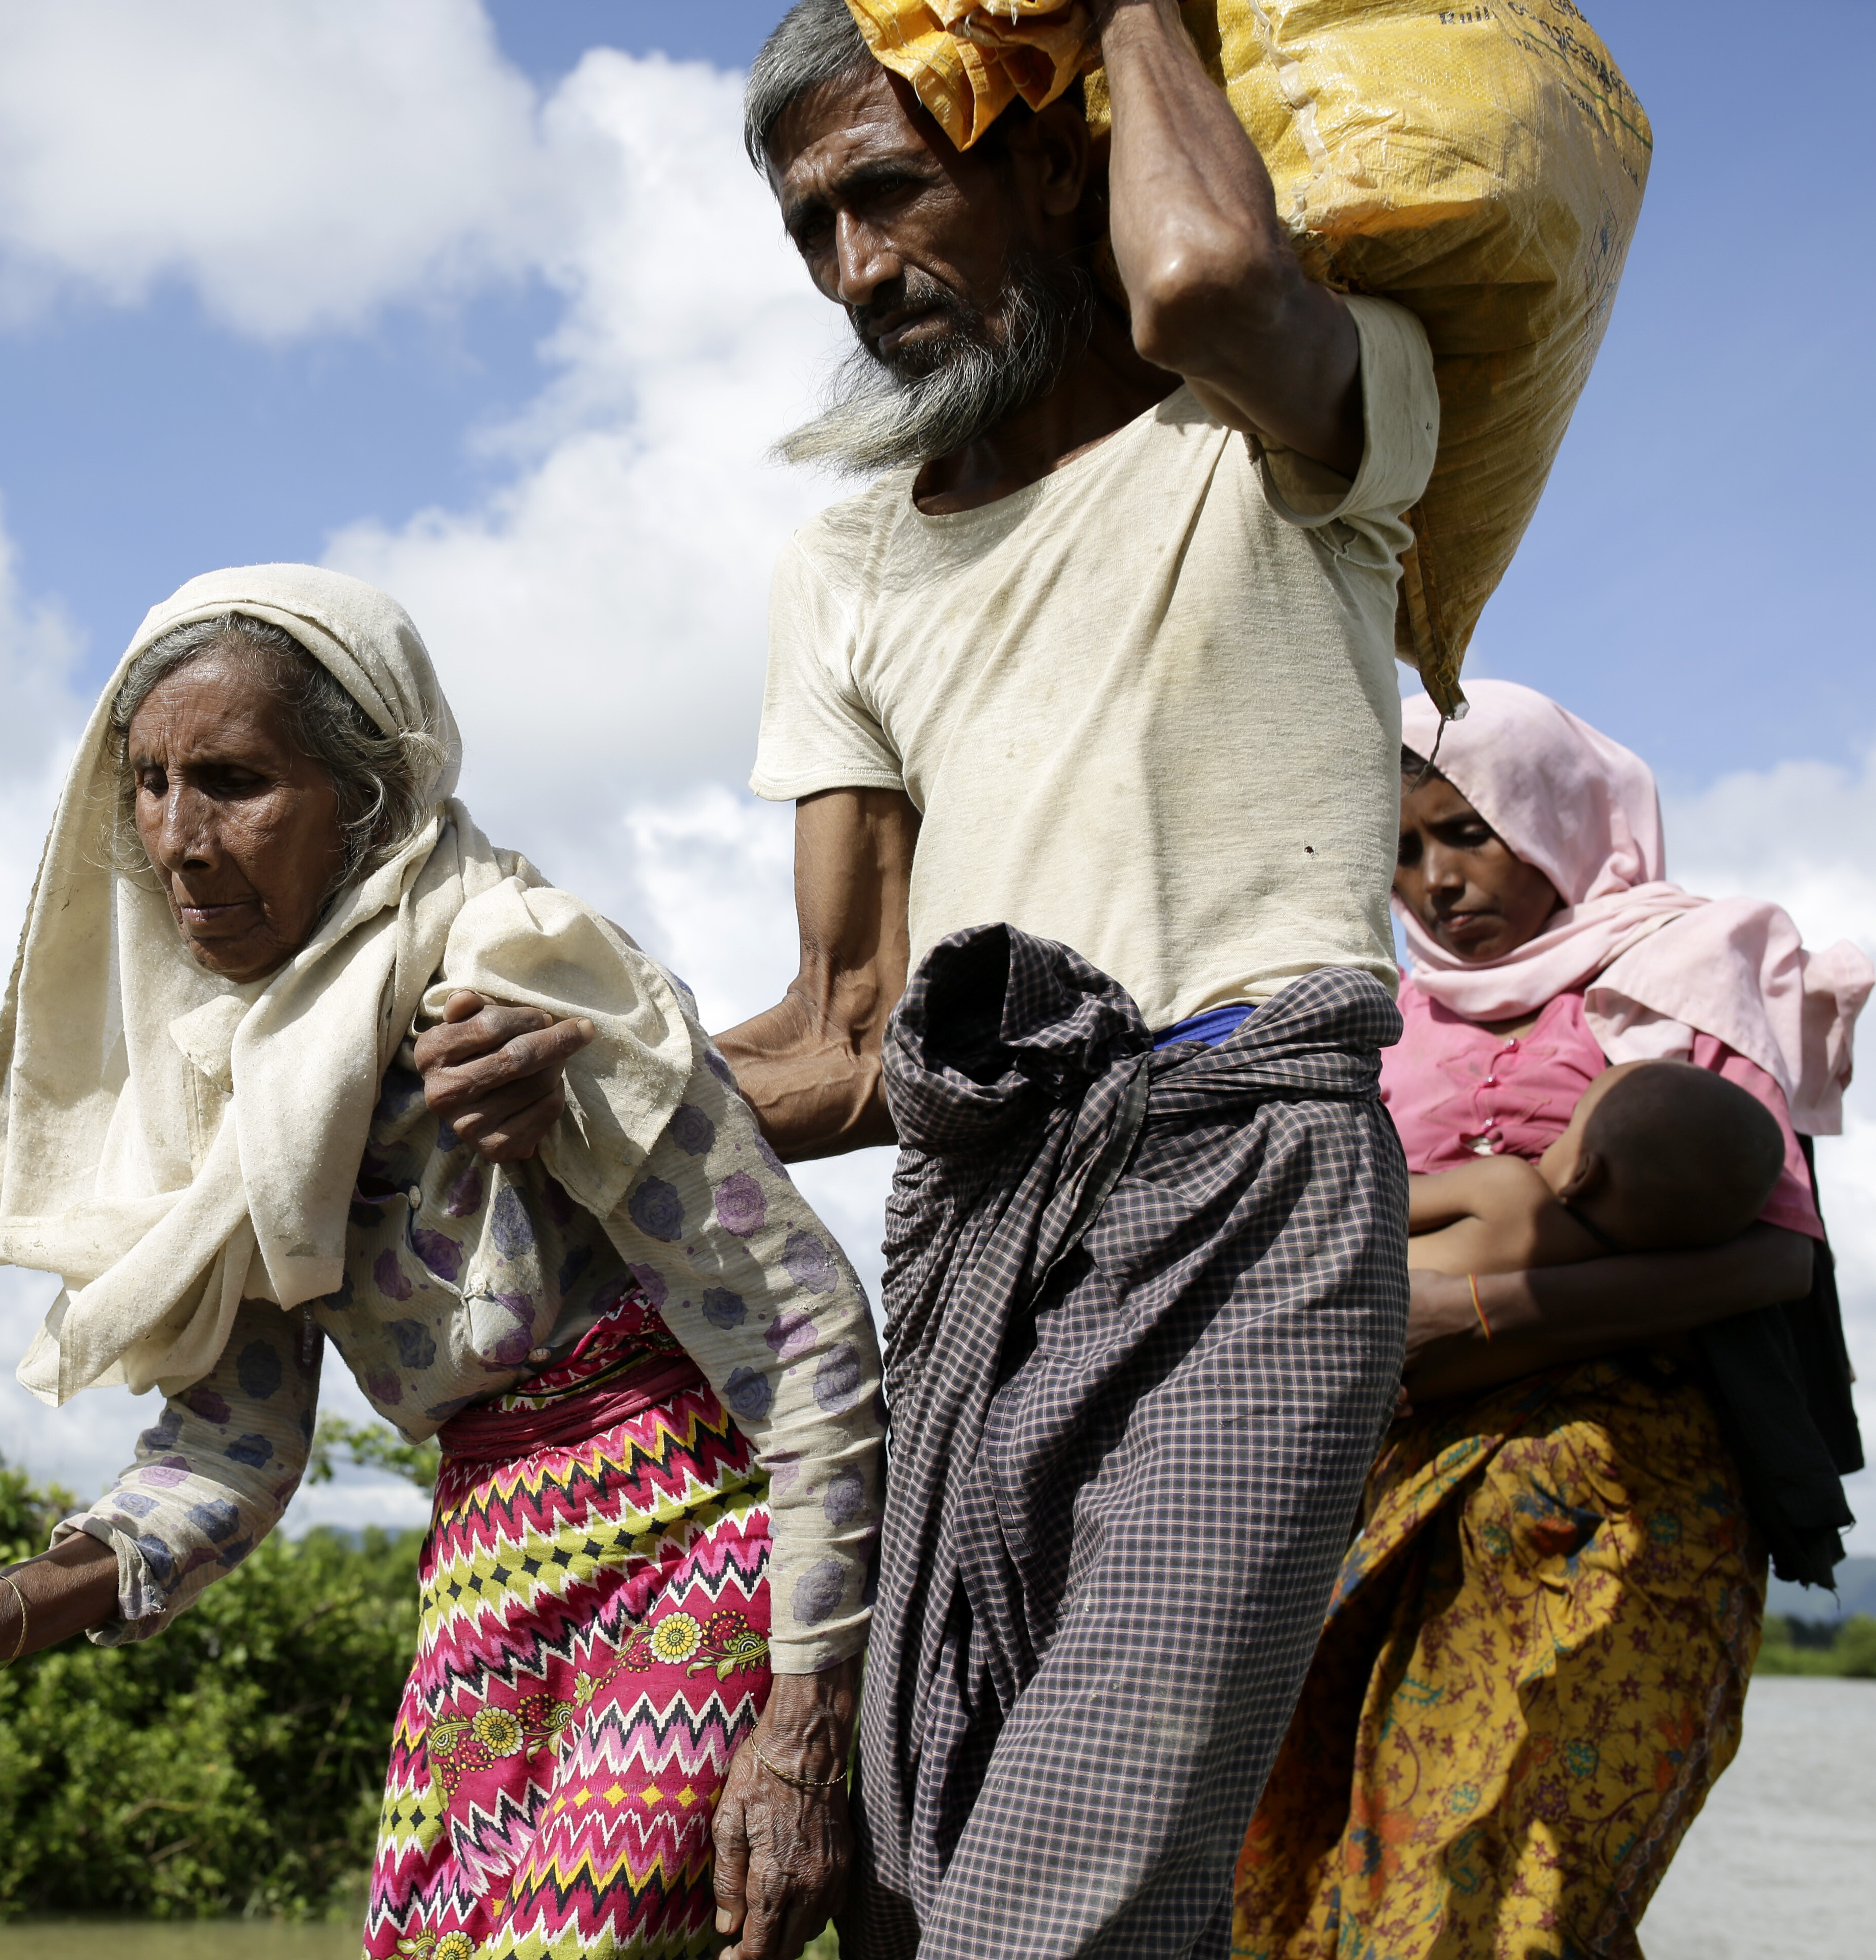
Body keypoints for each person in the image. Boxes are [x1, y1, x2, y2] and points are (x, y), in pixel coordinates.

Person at [425, 4, 1439, 1951]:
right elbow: (842, 1032)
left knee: (1057, 1898)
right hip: (966, 1223)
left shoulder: (1287, 415)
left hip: (1242, 1193)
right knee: (911, 1889)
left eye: (889, 190)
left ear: (1053, 159)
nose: (852, 272)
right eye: (809, 229)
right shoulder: (849, 567)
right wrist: (574, 1082)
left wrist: (1129, 10)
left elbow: (1211, 271)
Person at [0, 566, 886, 1960]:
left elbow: (803, 1336)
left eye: (235, 781)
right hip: (491, 1571)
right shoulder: (235, 1082)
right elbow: (227, 1457)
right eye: (150, 784)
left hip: (705, 1537)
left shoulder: (523, 976)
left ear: (367, 797)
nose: (178, 839)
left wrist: (806, 1711)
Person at [1233, 677, 1869, 1958]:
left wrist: (1459, 1308)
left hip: (1612, 1493)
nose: (1431, 882)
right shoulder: (1379, 1021)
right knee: (1306, 1890)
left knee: (1494, 1887)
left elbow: (1767, 1267)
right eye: (1399, 849)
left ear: (1554, 811)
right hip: (1386, 1495)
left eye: (1464, 830)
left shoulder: (1680, 971)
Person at [1406, 1058, 1785, 1278]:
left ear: (1583, 1176)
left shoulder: (1509, 1191)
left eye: (1570, 1124)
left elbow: (1372, 1200)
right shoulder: (1620, 1292)